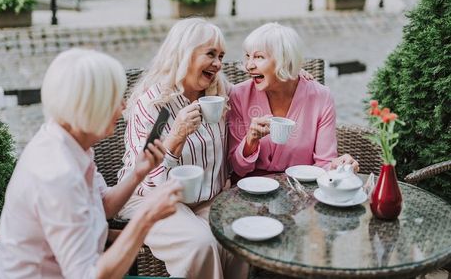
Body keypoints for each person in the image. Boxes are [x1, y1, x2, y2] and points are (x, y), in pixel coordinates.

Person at [0, 48, 182, 279]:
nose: (124, 106)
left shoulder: (69, 141)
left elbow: (103, 206)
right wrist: (146, 217)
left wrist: (138, 173)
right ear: (91, 105)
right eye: (115, 99)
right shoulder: (57, 175)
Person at [117, 18, 247, 279]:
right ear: (184, 53)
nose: (218, 64)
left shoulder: (219, 92)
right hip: (150, 197)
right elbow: (144, 178)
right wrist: (176, 137)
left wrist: (298, 80)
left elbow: (259, 89)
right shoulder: (154, 104)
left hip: (206, 198)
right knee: (200, 245)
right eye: (210, 54)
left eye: (221, 56)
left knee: (238, 236)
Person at [227, 22, 358, 181]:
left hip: (300, 190)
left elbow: (324, 163)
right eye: (248, 56)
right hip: (250, 191)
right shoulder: (239, 95)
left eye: (259, 57)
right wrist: (250, 140)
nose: (249, 65)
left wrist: (337, 166)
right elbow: (237, 168)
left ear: (285, 60)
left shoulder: (321, 97)